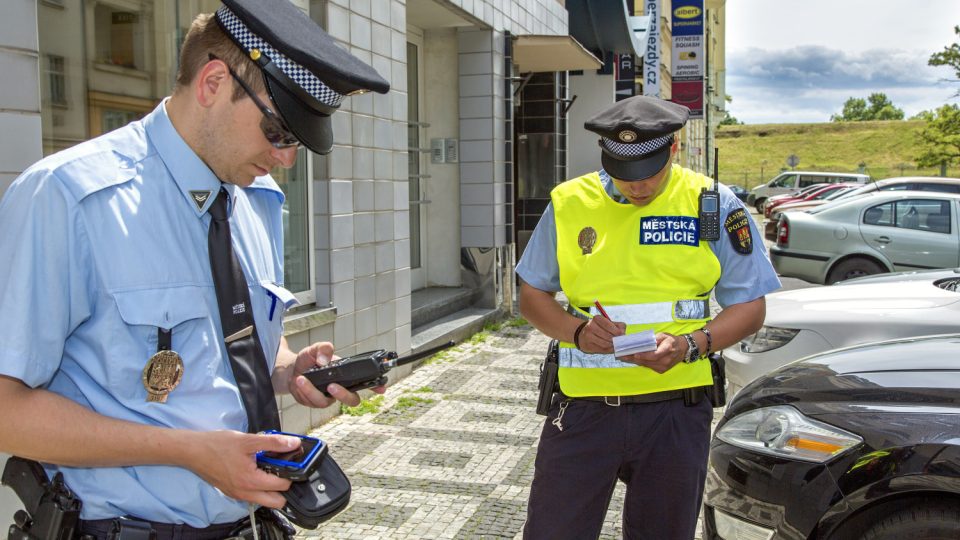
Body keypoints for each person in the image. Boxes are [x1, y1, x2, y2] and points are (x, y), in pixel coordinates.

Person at [0, 0, 388, 537]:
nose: (286, 159)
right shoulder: (70, 198)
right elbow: (6, 410)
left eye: (295, 140)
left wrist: (288, 370)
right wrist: (190, 453)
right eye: (278, 130)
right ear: (211, 83)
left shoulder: (256, 201)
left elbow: (224, 340)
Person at [517, 96, 781, 540]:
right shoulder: (569, 202)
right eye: (622, 174)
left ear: (673, 150)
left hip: (676, 413)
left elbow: (750, 307)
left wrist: (692, 344)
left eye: (648, 174)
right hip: (582, 412)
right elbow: (531, 295)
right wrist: (578, 333)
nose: (636, 187)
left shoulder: (713, 203)